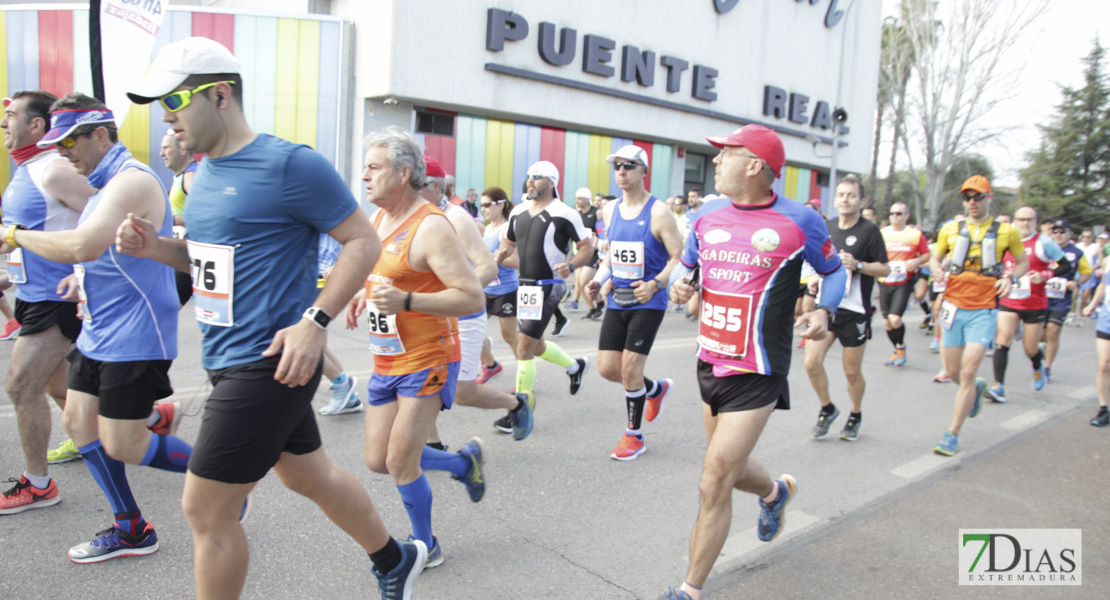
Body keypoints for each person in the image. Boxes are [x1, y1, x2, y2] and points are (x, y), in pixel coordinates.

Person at [121, 38, 425, 597]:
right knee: (308, 475)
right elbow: (208, 260)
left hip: (272, 362)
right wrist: (154, 247)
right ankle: (394, 557)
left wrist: (316, 320)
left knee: (206, 510)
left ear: (219, 94)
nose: (166, 115)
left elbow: (360, 241)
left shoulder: (291, 163)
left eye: (176, 100)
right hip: (223, 356)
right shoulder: (200, 176)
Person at [0, 93, 187, 565]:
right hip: (100, 326)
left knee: (124, 441)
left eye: (69, 140)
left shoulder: (130, 180)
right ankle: (132, 528)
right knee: (78, 421)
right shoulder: (100, 186)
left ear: (100, 134)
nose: (61, 150)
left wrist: (13, 234)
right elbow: (98, 250)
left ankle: (221, 476)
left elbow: (83, 243)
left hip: (138, 326)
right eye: (56, 141)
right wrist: (78, 278)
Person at [662, 125, 846, 600]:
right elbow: (688, 268)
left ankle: (689, 589)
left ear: (756, 166)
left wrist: (825, 310)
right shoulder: (706, 215)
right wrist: (683, 285)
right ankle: (775, 493)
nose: (716, 160)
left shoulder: (800, 220)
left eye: (727, 153)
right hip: (710, 360)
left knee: (713, 480)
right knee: (731, 468)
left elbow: (834, 272)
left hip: (759, 369)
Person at [351, 130, 488, 572]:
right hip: (386, 356)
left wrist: (409, 302)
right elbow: (382, 273)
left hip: (428, 355)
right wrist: (361, 294)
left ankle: (425, 545)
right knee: (378, 459)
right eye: (366, 167)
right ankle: (462, 463)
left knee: (399, 460)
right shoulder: (378, 220)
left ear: (404, 172)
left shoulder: (430, 225)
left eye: (374, 167)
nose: (365, 176)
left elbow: (471, 297)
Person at [0, 90, 91, 511]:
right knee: (56, 384)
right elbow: (30, 233)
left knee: (21, 386)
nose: (4, 123)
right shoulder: (26, 170)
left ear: (37, 125)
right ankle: (136, 425)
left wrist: (81, 277)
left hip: (57, 300)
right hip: (31, 294)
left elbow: (100, 222)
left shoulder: (53, 170)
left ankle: (38, 485)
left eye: (12, 115)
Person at [419, 156, 533, 447]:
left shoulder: (456, 217)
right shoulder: (415, 215)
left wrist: (458, 296)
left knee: (463, 392)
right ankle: (433, 446)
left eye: (414, 184)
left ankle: (516, 405)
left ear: (434, 186)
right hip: (428, 315)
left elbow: (488, 267)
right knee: (422, 382)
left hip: (462, 314)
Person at [585, 145, 683, 460]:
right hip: (618, 298)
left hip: (648, 301)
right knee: (608, 369)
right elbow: (612, 256)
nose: (622, 172)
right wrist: (598, 280)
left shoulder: (658, 212)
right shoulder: (609, 210)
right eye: (617, 167)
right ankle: (655, 390)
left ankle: (634, 435)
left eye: (629, 165)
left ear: (644, 171)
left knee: (629, 369)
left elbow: (679, 258)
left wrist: (656, 284)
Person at [929, 176, 1027, 456]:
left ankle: (951, 435)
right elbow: (936, 257)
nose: (972, 202)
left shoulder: (1007, 231)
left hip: (984, 309)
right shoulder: (950, 228)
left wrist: (1010, 279)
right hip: (953, 307)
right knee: (951, 371)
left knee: (969, 371)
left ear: (989, 198)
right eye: (967, 197)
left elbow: (1023, 263)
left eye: (978, 197)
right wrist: (936, 269)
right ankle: (976, 390)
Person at [494, 161, 594, 409]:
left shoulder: (565, 213)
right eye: (529, 176)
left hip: (549, 285)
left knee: (524, 345)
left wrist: (570, 266)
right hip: (525, 286)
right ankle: (575, 366)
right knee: (535, 345)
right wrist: (501, 254)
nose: (530, 180)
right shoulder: (518, 211)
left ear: (551, 182)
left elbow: (586, 247)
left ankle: (520, 407)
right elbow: (508, 242)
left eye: (537, 177)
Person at [803, 175, 889, 441]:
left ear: (861, 201)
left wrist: (859, 265)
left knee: (851, 371)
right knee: (811, 363)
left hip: (855, 310)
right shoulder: (826, 226)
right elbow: (818, 262)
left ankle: (855, 414)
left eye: (851, 195)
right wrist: (817, 278)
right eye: (841, 195)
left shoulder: (870, 230)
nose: (845, 199)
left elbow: (884, 268)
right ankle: (827, 409)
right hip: (827, 308)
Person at [986, 207, 1069, 402]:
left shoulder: (1044, 242)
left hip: (1035, 302)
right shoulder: (1005, 239)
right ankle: (998, 386)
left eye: (1029, 220)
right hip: (1009, 299)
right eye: (1021, 220)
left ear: (1035, 221)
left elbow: (1066, 265)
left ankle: (1037, 366)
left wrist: (1045, 275)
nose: (1025, 223)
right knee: (1002, 341)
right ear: (1015, 220)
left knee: (1030, 348)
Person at [316, 233, 363, 416]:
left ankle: (342, 385)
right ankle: (348, 395)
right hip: (311, 279)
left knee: (307, 343)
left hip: (320, 281)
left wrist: (340, 265)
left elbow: (361, 238)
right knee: (318, 343)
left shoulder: (332, 208)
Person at [878, 201, 930, 367]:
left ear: (907, 216)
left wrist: (916, 261)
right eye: (892, 213)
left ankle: (901, 348)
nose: (895, 216)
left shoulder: (915, 235)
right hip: (884, 280)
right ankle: (898, 348)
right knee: (887, 322)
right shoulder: (882, 233)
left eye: (899, 213)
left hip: (904, 281)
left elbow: (927, 255)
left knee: (895, 319)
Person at [477, 187, 516, 386]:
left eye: (487, 205)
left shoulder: (507, 228)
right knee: (471, 328)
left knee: (509, 336)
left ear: (500, 204)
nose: (483, 209)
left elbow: (517, 261)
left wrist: (496, 259)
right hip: (487, 288)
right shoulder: (487, 228)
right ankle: (491, 365)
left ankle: (525, 374)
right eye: (481, 205)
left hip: (506, 290)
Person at [1044, 219, 1092, 380]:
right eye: (1055, 231)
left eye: (1062, 231)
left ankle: (1047, 367)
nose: (1058, 234)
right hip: (1041, 296)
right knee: (1040, 336)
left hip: (1061, 299)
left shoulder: (1077, 253)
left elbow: (1087, 272)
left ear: (1070, 234)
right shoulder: (1044, 247)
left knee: (1053, 330)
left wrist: (1076, 282)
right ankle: (1042, 349)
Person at [159, 128, 197, 305]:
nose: (161, 153)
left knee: (168, 306)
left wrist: (169, 220)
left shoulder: (191, 176)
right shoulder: (181, 176)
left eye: (166, 148)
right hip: (179, 251)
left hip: (188, 254)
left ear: (182, 149)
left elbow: (203, 216)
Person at [1082, 254, 1110, 426]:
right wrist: (1093, 304)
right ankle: (1103, 409)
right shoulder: (1108, 260)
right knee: (1104, 364)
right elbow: (1104, 285)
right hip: (1107, 319)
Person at [566, 187, 599, 316]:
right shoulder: (577, 215)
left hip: (592, 251)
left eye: (580, 198)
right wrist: (569, 255)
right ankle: (592, 308)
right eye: (576, 198)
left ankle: (600, 302)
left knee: (584, 281)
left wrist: (598, 241)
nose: (577, 201)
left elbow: (603, 229)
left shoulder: (596, 212)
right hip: (579, 251)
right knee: (579, 283)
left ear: (587, 199)